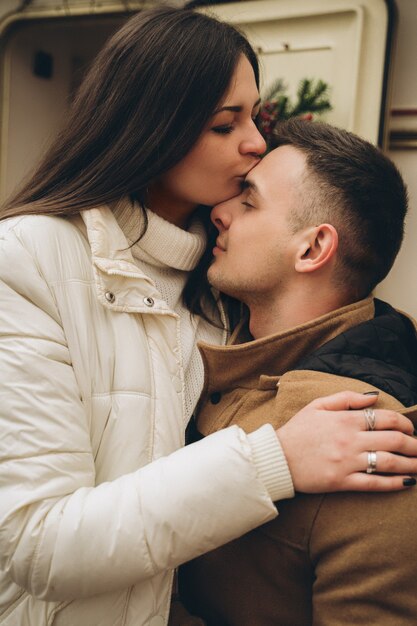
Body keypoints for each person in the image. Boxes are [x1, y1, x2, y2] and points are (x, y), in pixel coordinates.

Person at [0, 7, 416, 626]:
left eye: (254, 114)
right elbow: (34, 543)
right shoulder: (31, 257)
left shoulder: (226, 290)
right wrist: (274, 459)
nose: (256, 141)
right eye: (228, 123)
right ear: (153, 127)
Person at [179, 119, 417, 626]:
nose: (218, 212)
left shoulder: (371, 439)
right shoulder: (220, 352)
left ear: (312, 249)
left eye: (248, 202)